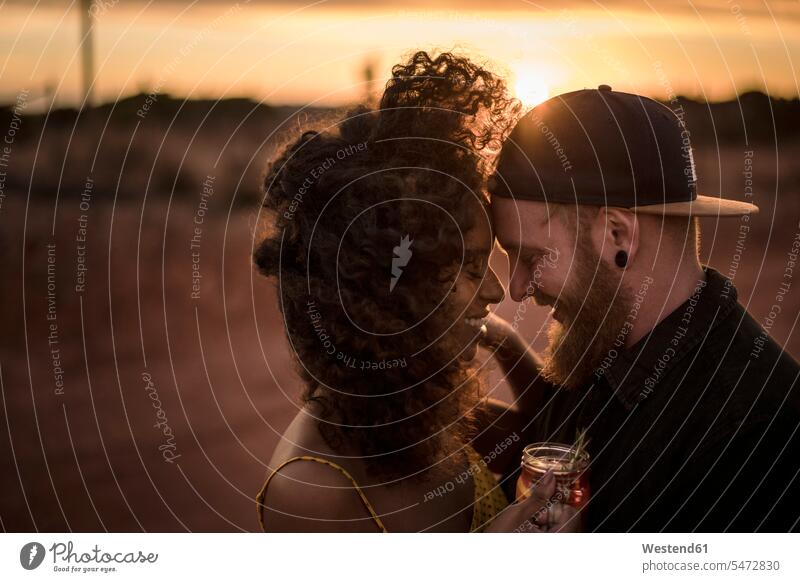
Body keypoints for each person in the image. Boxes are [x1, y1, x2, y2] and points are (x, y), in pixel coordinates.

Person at [252, 51, 574, 532]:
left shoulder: (429, 411)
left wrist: (503, 340)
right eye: (467, 267)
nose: (496, 290)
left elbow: (549, 430)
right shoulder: (313, 492)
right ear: (385, 292)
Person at [483, 84, 800, 532]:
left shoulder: (762, 434)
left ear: (618, 235)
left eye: (532, 257)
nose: (515, 290)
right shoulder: (597, 347)